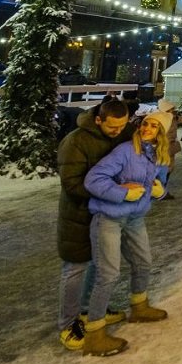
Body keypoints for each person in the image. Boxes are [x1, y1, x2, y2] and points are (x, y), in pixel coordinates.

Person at [81, 112, 171, 356]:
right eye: (145, 124)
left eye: (154, 126)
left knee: (143, 262)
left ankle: (139, 306)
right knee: (108, 273)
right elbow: (93, 180)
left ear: (161, 132)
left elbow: (161, 187)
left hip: (135, 217)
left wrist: (160, 192)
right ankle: (94, 332)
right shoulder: (125, 151)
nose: (148, 128)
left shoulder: (160, 157)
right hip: (109, 216)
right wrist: (121, 192)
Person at [55, 99, 132, 351]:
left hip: (106, 214)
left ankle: (90, 309)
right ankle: (68, 324)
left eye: (122, 126)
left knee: (100, 264)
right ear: (98, 120)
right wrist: (113, 192)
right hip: (78, 214)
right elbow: (71, 183)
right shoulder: (75, 142)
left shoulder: (120, 135)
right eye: (112, 127)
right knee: (76, 267)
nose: (117, 131)